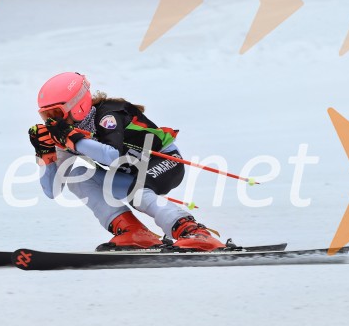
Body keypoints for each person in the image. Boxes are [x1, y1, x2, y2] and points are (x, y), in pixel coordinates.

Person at [28, 71, 224, 251]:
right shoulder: (66, 135)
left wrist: (75, 140)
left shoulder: (109, 115)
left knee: (138, 192)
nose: (51, 122)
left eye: (56, 113)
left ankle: (194, 232)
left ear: (78, 106)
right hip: (128, 174)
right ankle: (133, 232)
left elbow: (113, 156)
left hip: (166, 162)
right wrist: (45, 154)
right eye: (46, 115)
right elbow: (52, 191)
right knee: (76, 175)